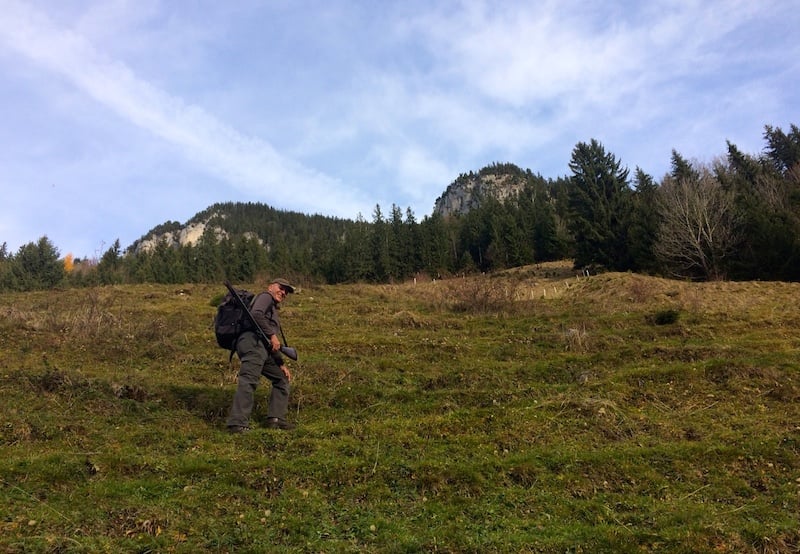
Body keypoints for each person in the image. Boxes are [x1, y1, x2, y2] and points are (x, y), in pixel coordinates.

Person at [226, 278, 296, 433]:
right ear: (271, 286)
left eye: (287, 291)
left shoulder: (272, 307)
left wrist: (280, 364)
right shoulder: (265, 296)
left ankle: (276, 419)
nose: (283, 293)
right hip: (253, 343)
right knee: (249, 380)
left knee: (281, 379)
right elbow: (256, 314)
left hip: (261, 348)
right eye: (281, 288)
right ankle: (237, 424)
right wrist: (272, 334)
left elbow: (270, 343)